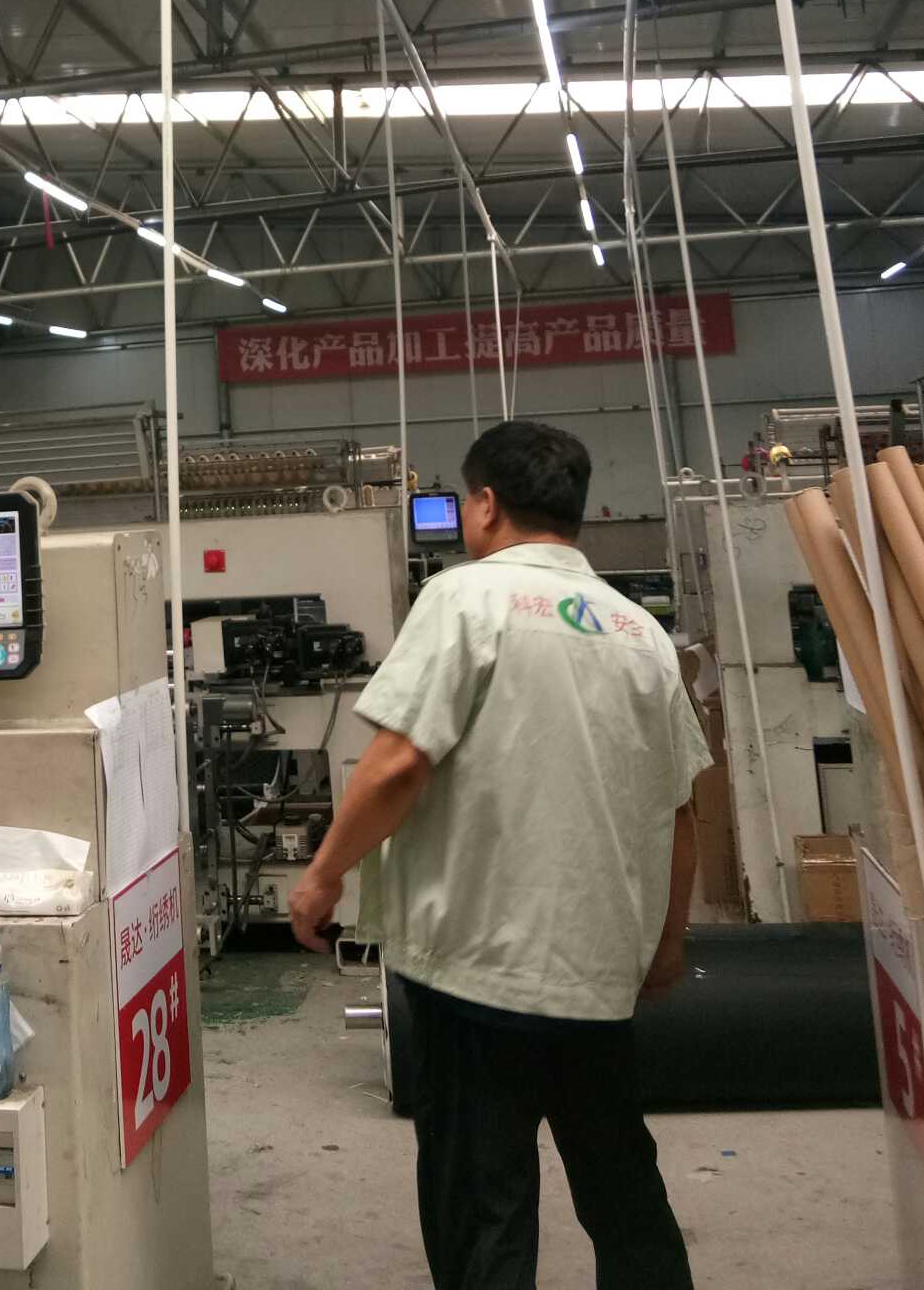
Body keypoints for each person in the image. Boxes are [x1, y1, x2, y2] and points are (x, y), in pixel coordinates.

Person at [289, 420, 710, 1290]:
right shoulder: (640, 631)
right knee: (622, 1186)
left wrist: (324, 875)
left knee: (484, 1202)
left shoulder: (464, 599)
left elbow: (398, 764)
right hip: (597, 967)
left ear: (484, 505)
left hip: (476, 967)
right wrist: (667, 944)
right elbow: (679, 809)